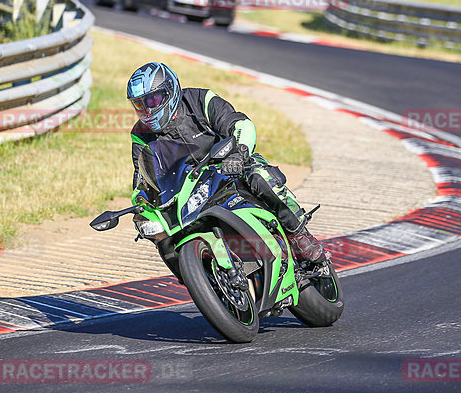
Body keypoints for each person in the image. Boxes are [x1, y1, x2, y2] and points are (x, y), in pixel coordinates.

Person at [126, 61, 329, 271]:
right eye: (140, 104)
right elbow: (143, 178)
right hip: (189, 193)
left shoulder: (199, 99)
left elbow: (240, 124)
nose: (148, 109)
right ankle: (196, 277)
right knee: (162, 234)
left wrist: (239, 153)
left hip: (229, 167)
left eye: (152, 99)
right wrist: (142, 206)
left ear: (170, 91)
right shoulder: (141, 135)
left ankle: (299, 235)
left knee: (259, 176)